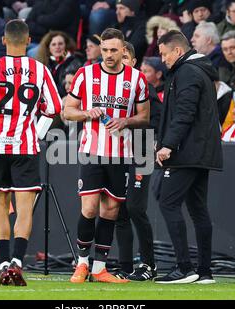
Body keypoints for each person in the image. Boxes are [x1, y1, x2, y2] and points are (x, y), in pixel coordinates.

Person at [0, 19, 62, 286]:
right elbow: (54, 107)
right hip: (26, 145)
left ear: (3, 41)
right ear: (28, 40)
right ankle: (18, 261)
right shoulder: (41, 70)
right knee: (24, 208)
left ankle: (1, 263)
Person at [63, 28, 150, 284]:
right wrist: (86, 113)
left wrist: (126, 121)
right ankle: (81, 264)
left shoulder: (137, 79)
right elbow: (68, 110)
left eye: (114, 50)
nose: (109, 55)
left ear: (124, 50)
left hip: (122, 154)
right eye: (105, 50)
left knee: (111, 211)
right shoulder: (85, 74)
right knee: (89, 208)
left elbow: (144, 117)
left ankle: (100, 268)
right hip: (91, 151)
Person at [155, 30, 222, 284]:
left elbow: (185, 112)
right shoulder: (199, 70)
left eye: (164, 54)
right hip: (200, 152)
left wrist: (168, 144)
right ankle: (204, 271)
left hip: (187, 152)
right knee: (198, 210)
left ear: (178, 51)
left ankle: (184, 267)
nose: (162, 60)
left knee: (167, 202)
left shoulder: (187, 73)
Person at [114, 41, 158, 281]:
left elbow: (158, 116)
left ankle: (149, 264)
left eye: (124, 59)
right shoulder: (112, 88)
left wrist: (158, 141)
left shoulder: (142, 86)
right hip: (118, 153)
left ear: (132, 62)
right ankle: (125, 266)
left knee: (135, 207)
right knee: (120, 209)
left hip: (141, 151)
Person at [35, 31, 83, 97]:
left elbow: (64, 88)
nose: (57, 47)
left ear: (66, 46)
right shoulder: (48, 62)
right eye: (53, 44)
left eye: (60, 44)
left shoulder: (73, 61)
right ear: (48, 48)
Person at [115, 0, 147, 65]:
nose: (117, 12)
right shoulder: (116, 26)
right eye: (117, 8)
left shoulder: (142, 27)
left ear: (133, 11)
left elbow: (131, 50)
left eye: (121, 8)